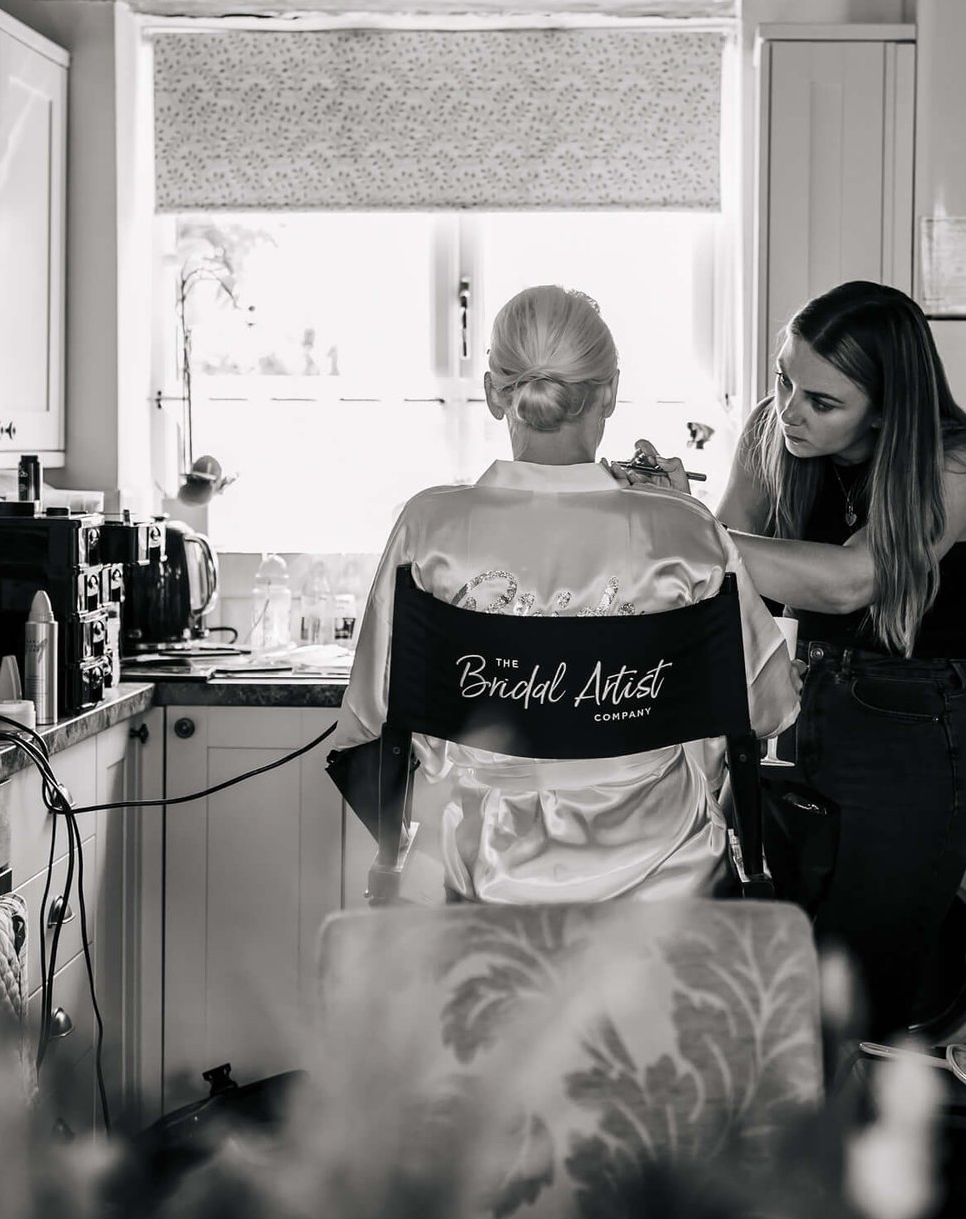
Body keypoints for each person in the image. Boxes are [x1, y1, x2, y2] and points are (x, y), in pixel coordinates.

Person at [617, 280, 966, 1039]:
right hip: (789, 720)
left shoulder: (958, 467)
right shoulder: (773, 432)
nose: (790, 408)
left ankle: (845, 1156)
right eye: (783, 379)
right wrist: (674, 518)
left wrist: (690, 531)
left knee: (852, 1009)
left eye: (822, 401)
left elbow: (850, 580)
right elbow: (720, 573)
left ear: (887, 406)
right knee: (743, 975)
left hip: (908, 740)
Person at [337, 285, 798, 904]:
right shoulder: (684, 531)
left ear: (495, 393)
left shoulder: (430, 530)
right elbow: (767, 708)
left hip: (480, 877)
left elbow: (371, 723)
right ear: (609, 391)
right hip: (668, 881)